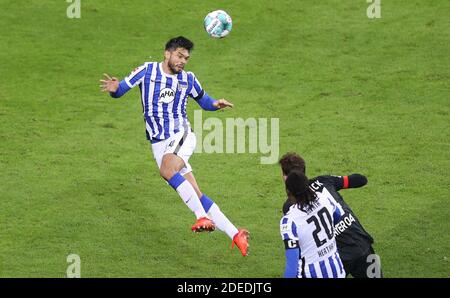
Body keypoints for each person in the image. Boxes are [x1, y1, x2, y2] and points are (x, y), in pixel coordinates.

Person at [99, 36, 249, 256]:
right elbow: (120, 90)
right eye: (179, 56)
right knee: (195, 192)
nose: (183, 61)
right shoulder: (147, 71)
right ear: (167, 53)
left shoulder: (188, 79)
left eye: (186, 58)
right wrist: (114, 89)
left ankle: (202, 217)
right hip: (159, 144)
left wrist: (216, 104)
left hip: (181, 134)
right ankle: (236, 234)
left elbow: (204, 101)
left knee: (167, 170)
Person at [279, 152, 382, 277]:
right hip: (361, 242)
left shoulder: (290, 207)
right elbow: (360, 180)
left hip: (337, 257)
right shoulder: (324, 182)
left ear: (286, 178)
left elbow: (300, 245)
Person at [280, 170, 346, 278]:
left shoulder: (289, 221)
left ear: (288, 192)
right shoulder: (324, 197)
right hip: (337, 271)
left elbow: (292, 264)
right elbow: (338, 217)